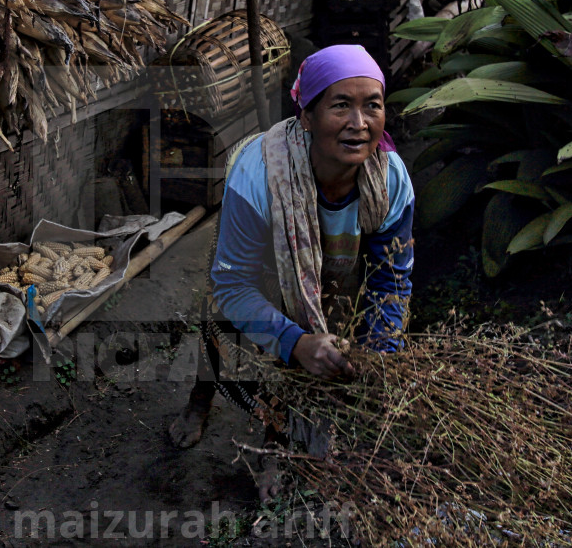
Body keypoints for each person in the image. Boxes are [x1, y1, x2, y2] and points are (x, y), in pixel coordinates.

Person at [167, 44, 415, 500]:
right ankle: (204, 403)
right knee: (222, 334)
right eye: (341, 105)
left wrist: (381, 353)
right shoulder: (259, 174)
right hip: (257, 276)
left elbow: (391, 278)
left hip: (336, 278)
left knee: (328, 361)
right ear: (307, 115)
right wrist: (295, 341)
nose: (359, 124)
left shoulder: (390, 179)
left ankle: (281, 440)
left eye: (372, 106)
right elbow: (232, 285)